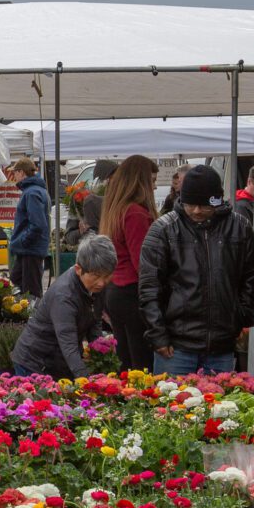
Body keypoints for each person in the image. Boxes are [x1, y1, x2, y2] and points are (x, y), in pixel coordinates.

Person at [137, 165, 254, 375]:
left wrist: (242, 315)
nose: (196, 210)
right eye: (191, 204)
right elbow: (149, 287)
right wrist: (158, 335)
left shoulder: (240, 227)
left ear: (217, 201)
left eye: (204, 205)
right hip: (175, 346)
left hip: (221, 345)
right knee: (172, 406)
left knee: (220, 407)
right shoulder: (164, 230)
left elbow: (253, 272)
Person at [10, 235, 116, 378]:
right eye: (96, 276)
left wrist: (99, 353)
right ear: (79, 269)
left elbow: (95, 319)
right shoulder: (64, 296)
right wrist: (85, 380)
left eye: (106, 276)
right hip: (34, 363)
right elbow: (68, 344)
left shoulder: (95, 287)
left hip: (59, 361)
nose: (102, 283)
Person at [96, 155, 160, 370]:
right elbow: (143, 262)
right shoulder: (135, 213)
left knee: (127, 360)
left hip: (117, 290)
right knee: (142, 364)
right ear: (140, 181)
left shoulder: (117, 208)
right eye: (151, 180)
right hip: (133, 293)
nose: (155, 186)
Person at [6, 159, 51, 295]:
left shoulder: (32, 193)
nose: (14, 176)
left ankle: (35, 316)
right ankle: (24, 315)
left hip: (30, 250)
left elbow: (38, 224)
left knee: (31, 292)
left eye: (15, 172)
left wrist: (23, 241)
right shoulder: (37, 190)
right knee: (15, 287)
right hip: (28, 250)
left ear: (21, 172)